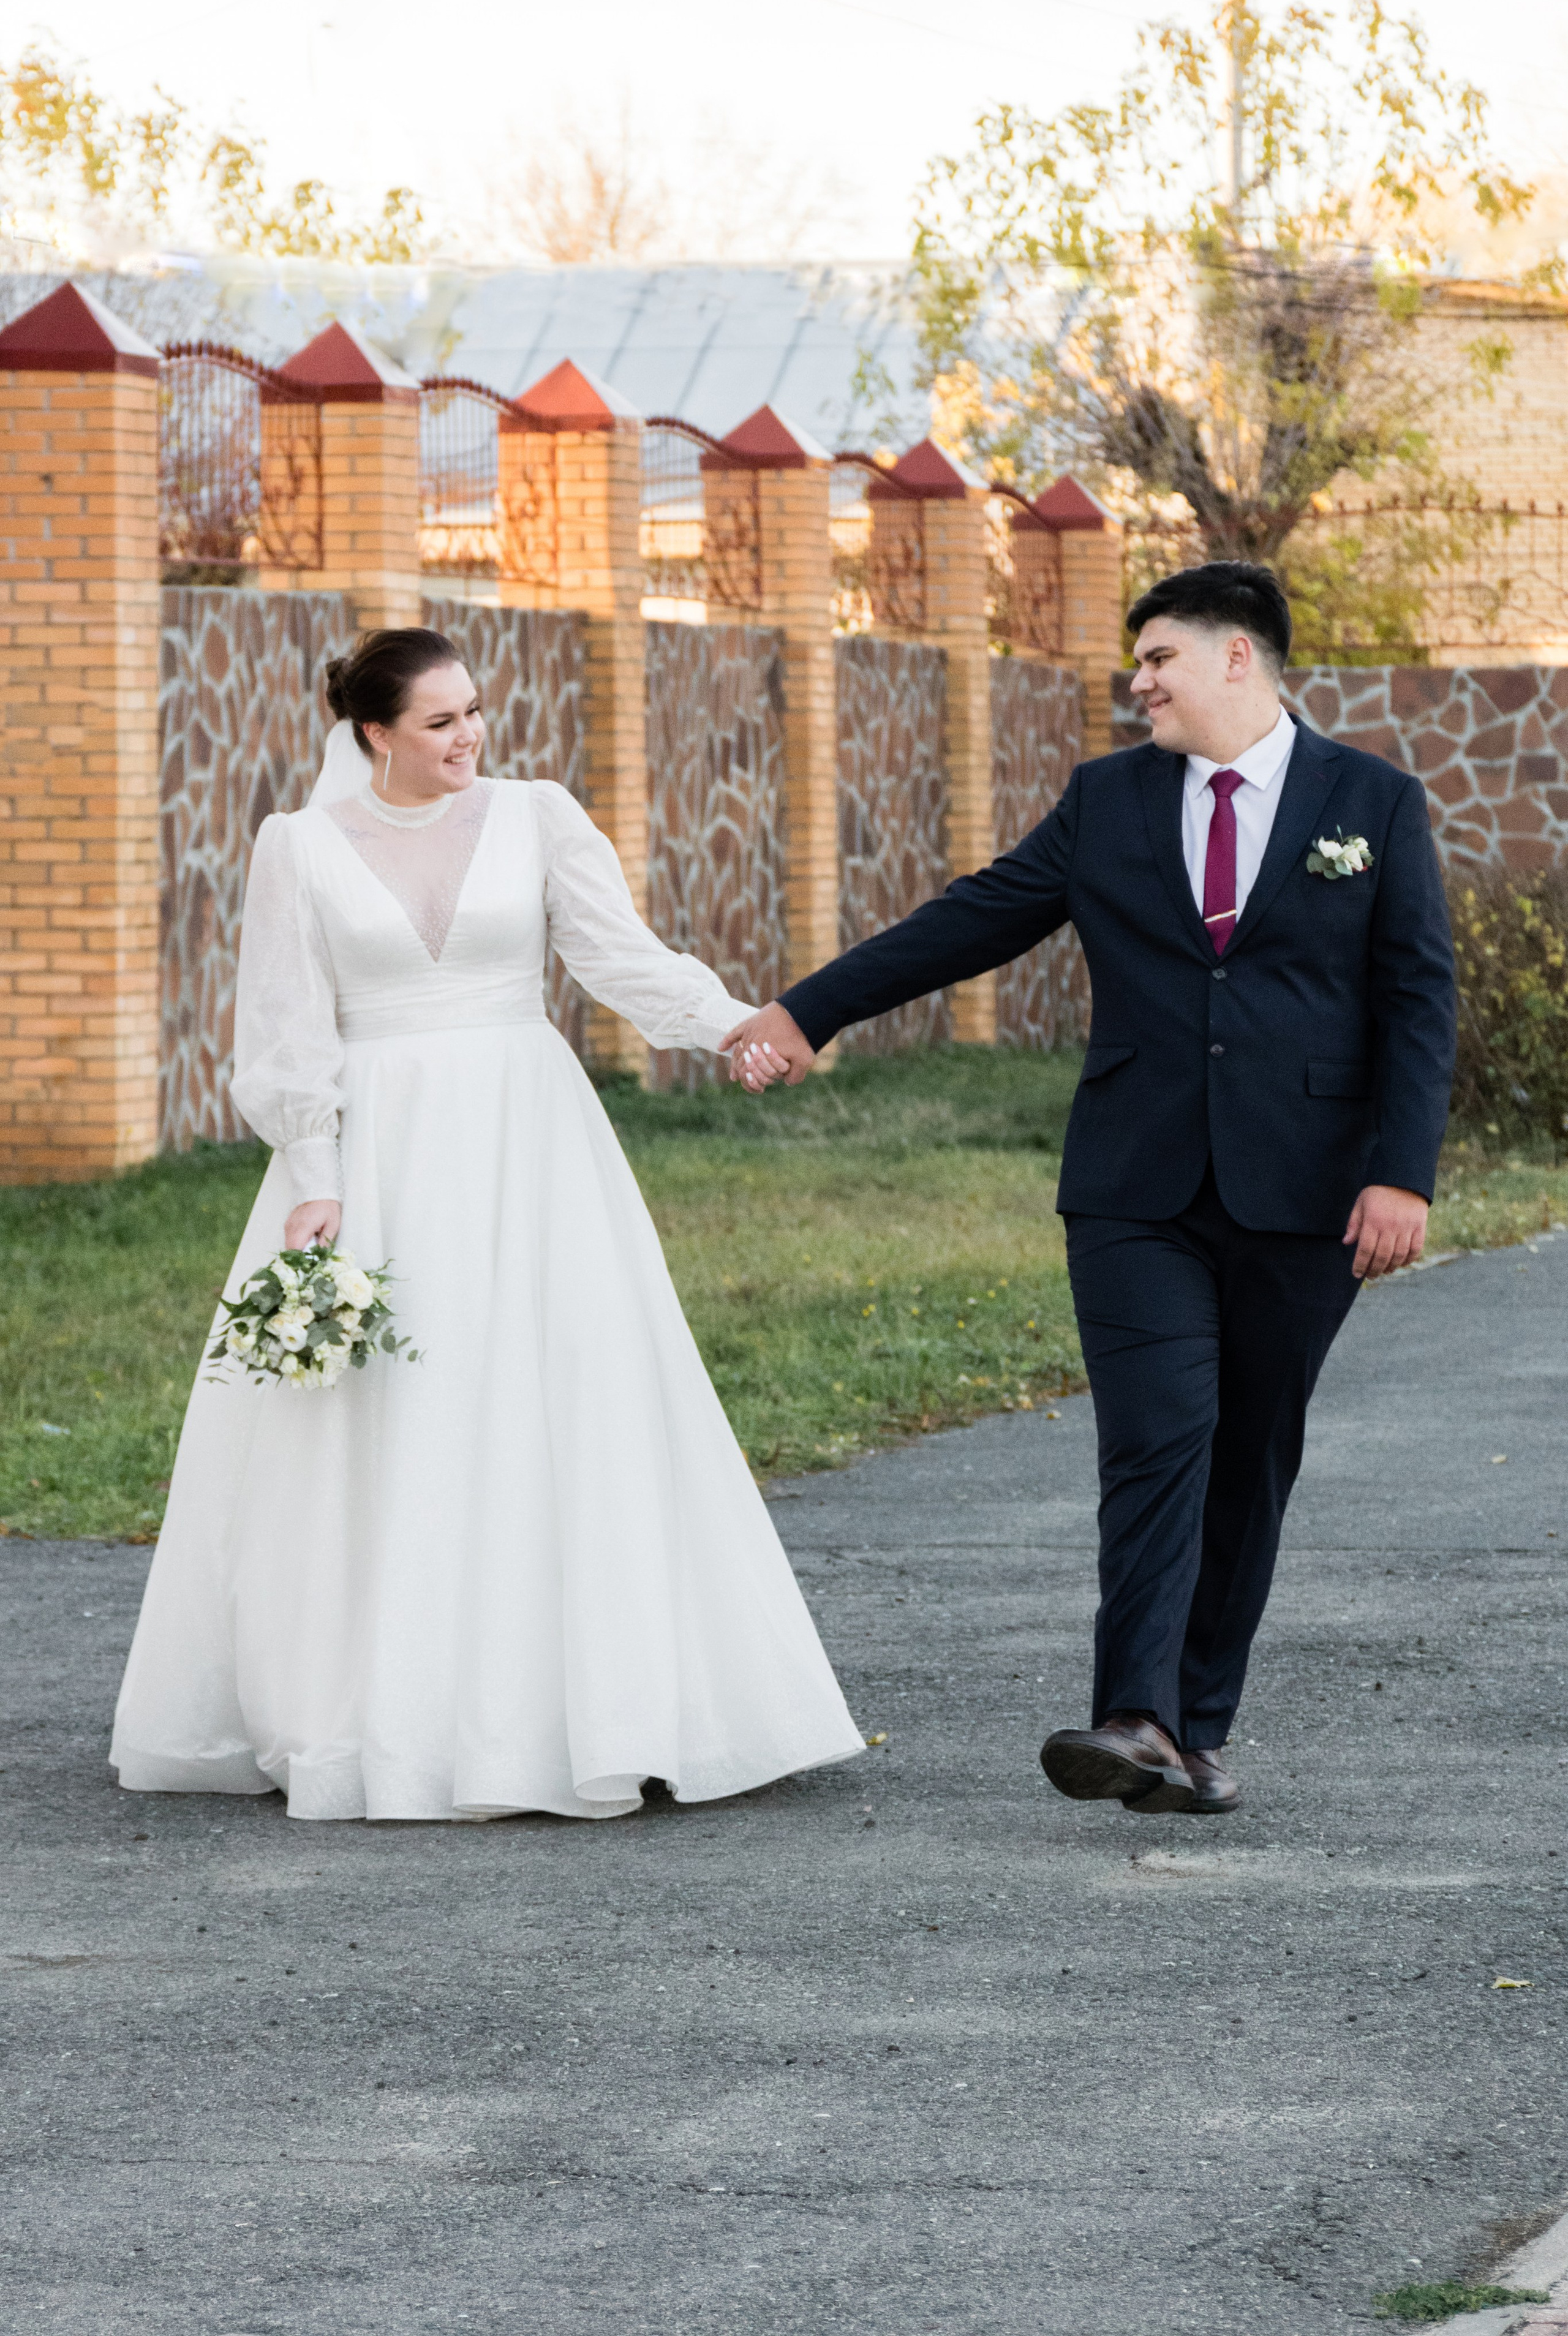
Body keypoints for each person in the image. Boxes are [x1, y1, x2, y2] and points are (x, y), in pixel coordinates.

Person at [722, 563, 1455, 1816]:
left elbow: (1414, 998)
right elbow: (977, 917)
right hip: (1133, 1184)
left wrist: (1399, 1172)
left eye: (1160, 657)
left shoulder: (1370, 803)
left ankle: (1190, 1728)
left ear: (1238, 659)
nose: (1140, 680)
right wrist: (807, 1011)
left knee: (1247, 1456)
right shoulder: (1105, 799)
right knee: (1156, 1437)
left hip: (1306, 1191)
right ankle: (1133, 1717)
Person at [111, 627, 864, 1823]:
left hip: (529, 1142)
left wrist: (735, 1026)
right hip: (378, 1150)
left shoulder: (539, 815)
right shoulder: (298, 846)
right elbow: (284, 1023)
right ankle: (385, 1711)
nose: (467, 738)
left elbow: (618, 955)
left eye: (472, 713)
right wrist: (313, 1169)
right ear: (374, 733)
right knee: (390, 1413)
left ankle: (591, 1707)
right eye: (438, 722)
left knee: (553, 1389)